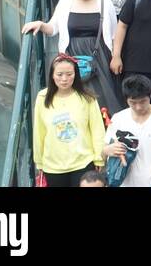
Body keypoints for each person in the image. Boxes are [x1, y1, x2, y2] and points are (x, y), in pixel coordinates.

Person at [21, 0, 120, 113]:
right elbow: (53, 28)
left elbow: (114, 34)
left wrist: (116, 56)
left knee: (103, 95)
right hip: (72, 53)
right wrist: (40, 24)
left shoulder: (106, 4)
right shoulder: (65, 2)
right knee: (74, 93)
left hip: (99, 54)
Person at [33, 55, 105, 187]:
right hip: (53, 166)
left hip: (83, 163)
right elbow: (39, 131)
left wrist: (99, 159)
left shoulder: (87, 97)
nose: (64, 79)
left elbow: (97, 129)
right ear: (52, 75)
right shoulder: (42, 97)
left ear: (76, 75)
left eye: (69, 74)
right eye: (59, 74)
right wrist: (39, 162)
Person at [103, 74, 151, 187]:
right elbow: (104, 151)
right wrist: (106, 150)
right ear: (126, 99)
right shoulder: (118, 118)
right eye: (132, 102)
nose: (138, 107)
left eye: (142, 101)